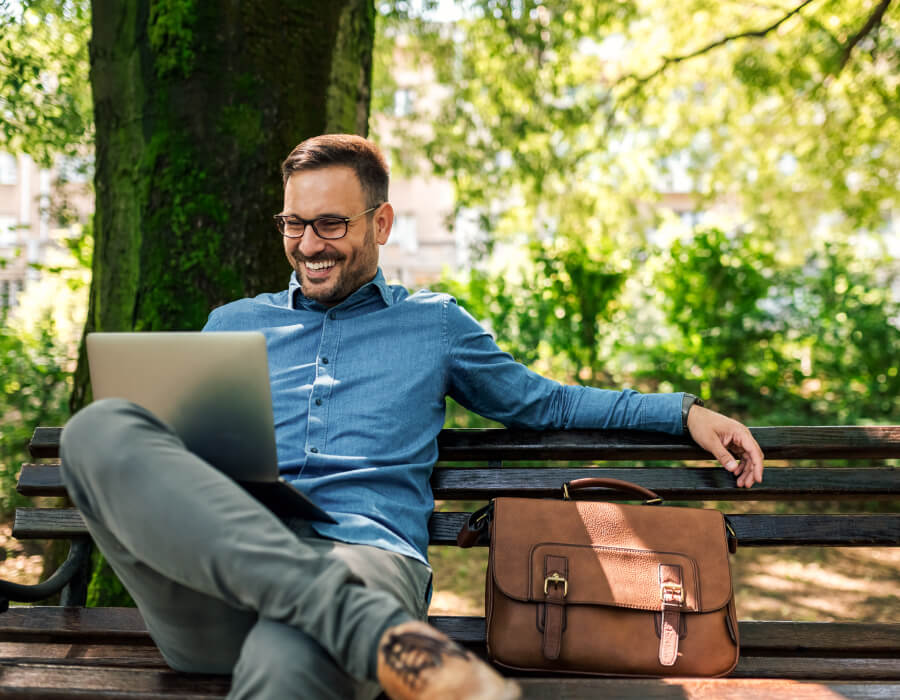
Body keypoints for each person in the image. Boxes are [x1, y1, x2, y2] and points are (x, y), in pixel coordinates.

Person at [59, 134, 764, 700]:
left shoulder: (435, 325)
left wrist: (684, 413)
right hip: (218, 590)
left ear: (381, 222)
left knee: (291, 653)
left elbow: (544, 401)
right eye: (294, 224)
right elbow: (171, 468)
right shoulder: (231, 323)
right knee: (98, 428)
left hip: (366, 559)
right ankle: (357, 624)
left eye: (330, 223)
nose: (308, 245)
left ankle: (345, 618)